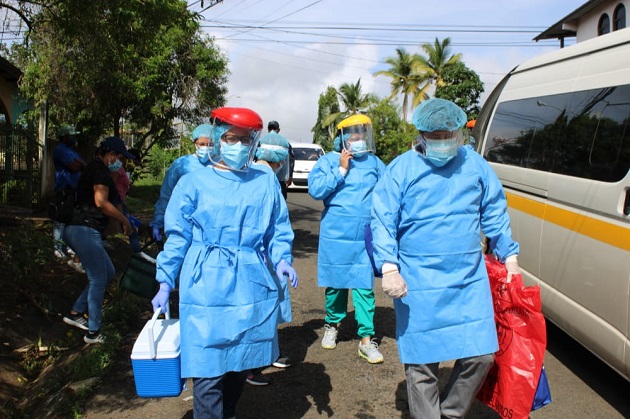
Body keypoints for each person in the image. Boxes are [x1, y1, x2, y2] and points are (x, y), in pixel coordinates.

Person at [370, 98, 521, 418]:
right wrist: (389, 266)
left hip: (467, 275)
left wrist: (508, 254)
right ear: (421, 134)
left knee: (482, 355)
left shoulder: (475, 165)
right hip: (419, 277)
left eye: (448, 135)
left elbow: (494, 210)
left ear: (459, 133)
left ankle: (450, 413)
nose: (442, 142)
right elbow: (383, 219)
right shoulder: (402, 169)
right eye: (434, 136)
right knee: (423, 363)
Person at [151, 107, 298, 418]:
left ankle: (227, 411)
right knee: (207, 366)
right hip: (205, 283)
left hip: (250, 281)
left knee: (240, 358)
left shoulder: (264, 182)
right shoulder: (193, 183)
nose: (239, 145)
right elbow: (177, 236)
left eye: (245, 140)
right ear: (218, 138)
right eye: (232, 138)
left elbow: (277, 229)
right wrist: (165, 281)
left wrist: (281, 258)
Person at [308, 114, 386, 364]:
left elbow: (388, 192)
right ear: (341, 137)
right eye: (353, 134)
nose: (358, 138)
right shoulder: (328, 161)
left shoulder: (374, 163)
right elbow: (316, 190)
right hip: (336, 233)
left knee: (364, 286)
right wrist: (341, 169)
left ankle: (366, 339)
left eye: (362, 133)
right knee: (336, 283)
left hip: (364, 235)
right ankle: (332, 324)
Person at [62, 136, 135, 344]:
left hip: (80, 229)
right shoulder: (101, 170)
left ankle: (76, 312)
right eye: (120, 158)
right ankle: (93, 332)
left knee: (108, 272)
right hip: (84, 229)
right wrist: (124, 221)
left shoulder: (94, 168)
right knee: (98, 279)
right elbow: (100, 202)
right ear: (110, 154)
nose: (121, 163)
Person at [247, 130, 294, 386]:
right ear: (279, 157)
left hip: (255, 253)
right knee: (262, 310)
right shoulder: (268, 181)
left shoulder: (251, 173)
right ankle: (253, 366)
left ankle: (266, 355)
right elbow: (277, 226)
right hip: (263, 255)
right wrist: (281, 258)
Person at [149, 123, 214, 242]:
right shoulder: (181, 165)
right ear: (195, 144)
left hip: (210, 224)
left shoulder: (219, 167)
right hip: (182, 220)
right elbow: (166, 194)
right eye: (202, 144)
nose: (206, 148)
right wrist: (158, 221)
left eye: (210, 144)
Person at [52, 125, 86, 273]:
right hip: (63, 188)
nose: (74, 138)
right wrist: (77, 165)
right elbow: (73, 167)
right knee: (60, 219)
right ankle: (57, 248)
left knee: (70, 218)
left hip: (73, 189)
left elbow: (83, 165)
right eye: (71, 136)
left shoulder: (71, 151)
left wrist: (77, 164)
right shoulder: (60, 150)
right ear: (65, 137)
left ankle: (68, 246)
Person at [268, 120, 294, 200]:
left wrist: (289, 176)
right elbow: (291, 160)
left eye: (273, 128)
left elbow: (290, 160)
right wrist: (289, 176)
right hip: (275, 178)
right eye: (271, 128)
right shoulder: (285, 143)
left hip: (272, 178)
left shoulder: (262, 141)